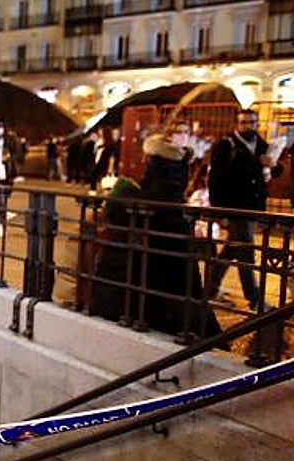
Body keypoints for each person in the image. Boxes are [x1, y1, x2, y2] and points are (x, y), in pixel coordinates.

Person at [90, 134, 220, 338]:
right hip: (150, 297)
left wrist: (122, 191)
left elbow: (119, 209)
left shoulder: (143, 197)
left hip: (121, 297)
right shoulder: (172, 201)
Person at [204, 109, 272, 310]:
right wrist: (219, 212)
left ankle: (209, 290)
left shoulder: (261, 145)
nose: (247, 126)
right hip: (235, 209)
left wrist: (272, 166)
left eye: (251, 122)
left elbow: (270, 172)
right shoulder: (226, 145)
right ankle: (255, 299)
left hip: (253, 208)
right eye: (243, 122)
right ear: (236, 124)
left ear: (257, 123)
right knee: (246, 252)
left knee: (231, 250)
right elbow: (215, 180)